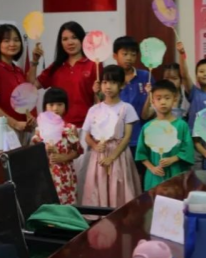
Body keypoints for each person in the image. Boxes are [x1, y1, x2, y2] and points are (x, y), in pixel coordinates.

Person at [82, 65, 142, 207]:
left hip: (119, 155)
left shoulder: (127, 108)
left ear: (122, 85)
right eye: (105, 82)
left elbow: (127, 137)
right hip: (99, 155)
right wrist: (95, 146)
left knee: (119, 186)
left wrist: (112, 157)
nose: (108, 86)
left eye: (113, 82)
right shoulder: (94, 109)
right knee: (99, 184)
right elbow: (87, 136)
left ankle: (120, 215)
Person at [30, 21, 102, 129]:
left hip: (85, 126)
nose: (70, 42)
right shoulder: (56, 66)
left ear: (82, 39)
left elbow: (100, 98)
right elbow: (32, 86)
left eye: (74, 38)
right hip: (58, 127)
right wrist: (35, 61)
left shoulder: (94, 64)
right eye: (65, 39)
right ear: (61, 43)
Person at [0, 24, 35, 152]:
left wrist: (29, 117)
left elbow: (23, 100)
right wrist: (14, 123)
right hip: (2, 130)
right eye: (6, 40)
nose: (12, 44)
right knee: (2, 165)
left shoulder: (18, 71)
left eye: (16, 40)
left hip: (21, 129)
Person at [136, 80, 195, 191]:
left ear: (174, 99)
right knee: (154, 200)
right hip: (155, 176)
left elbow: (187, 150)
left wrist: (173, 158)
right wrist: (152, 168)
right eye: (158, 98)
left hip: (176, 173)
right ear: (152, 101)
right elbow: (141, 154)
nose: (163, 102)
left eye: (167, 98)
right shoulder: (147, 127)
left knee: (176, 198)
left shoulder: (181, 125)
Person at [31, 88, 83, 205]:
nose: (55, 108)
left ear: (65, 106)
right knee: (48, 202)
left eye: (59, 104)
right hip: (46, 172)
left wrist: (65, 157)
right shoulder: (40, 129)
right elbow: (34, 153)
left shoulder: (70, 128)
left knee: (65, 202)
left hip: (65, 173)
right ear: (45, 107)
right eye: (51, 105)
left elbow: (78, 151)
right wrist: (44, 149)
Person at [113, 37, 154, 165]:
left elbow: (153, 107)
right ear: (115, 56)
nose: (129, 58)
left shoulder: (146, 76)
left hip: (141, 137)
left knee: (140, 173)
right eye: (125, 54)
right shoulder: (110, 77)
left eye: (133, 54)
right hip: (116, 139)